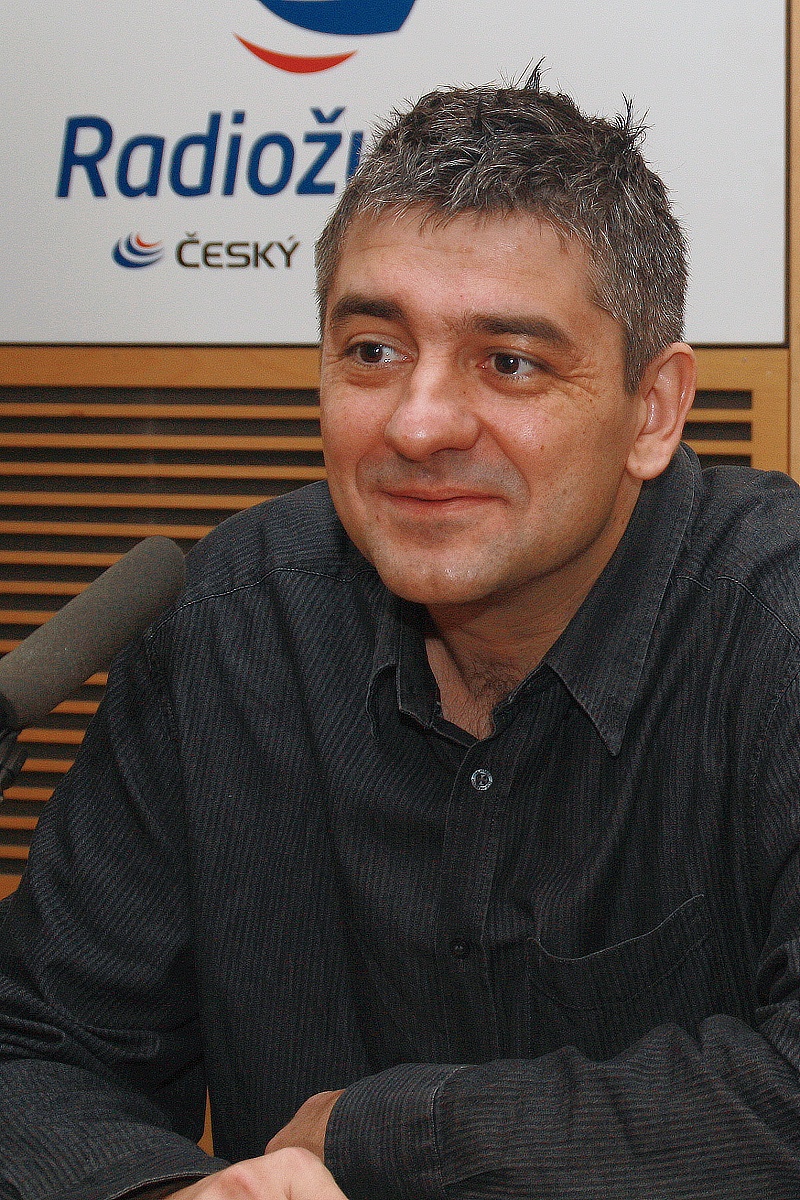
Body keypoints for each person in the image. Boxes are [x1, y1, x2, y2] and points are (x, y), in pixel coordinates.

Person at [3, 67, 800, 1200]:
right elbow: (37, 1048)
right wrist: (178, 1191)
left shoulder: (773, 625)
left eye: (509, 363)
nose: (418, 425)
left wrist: (383, 1135)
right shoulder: (233, 619)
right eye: (373, 351)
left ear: (653, 409)